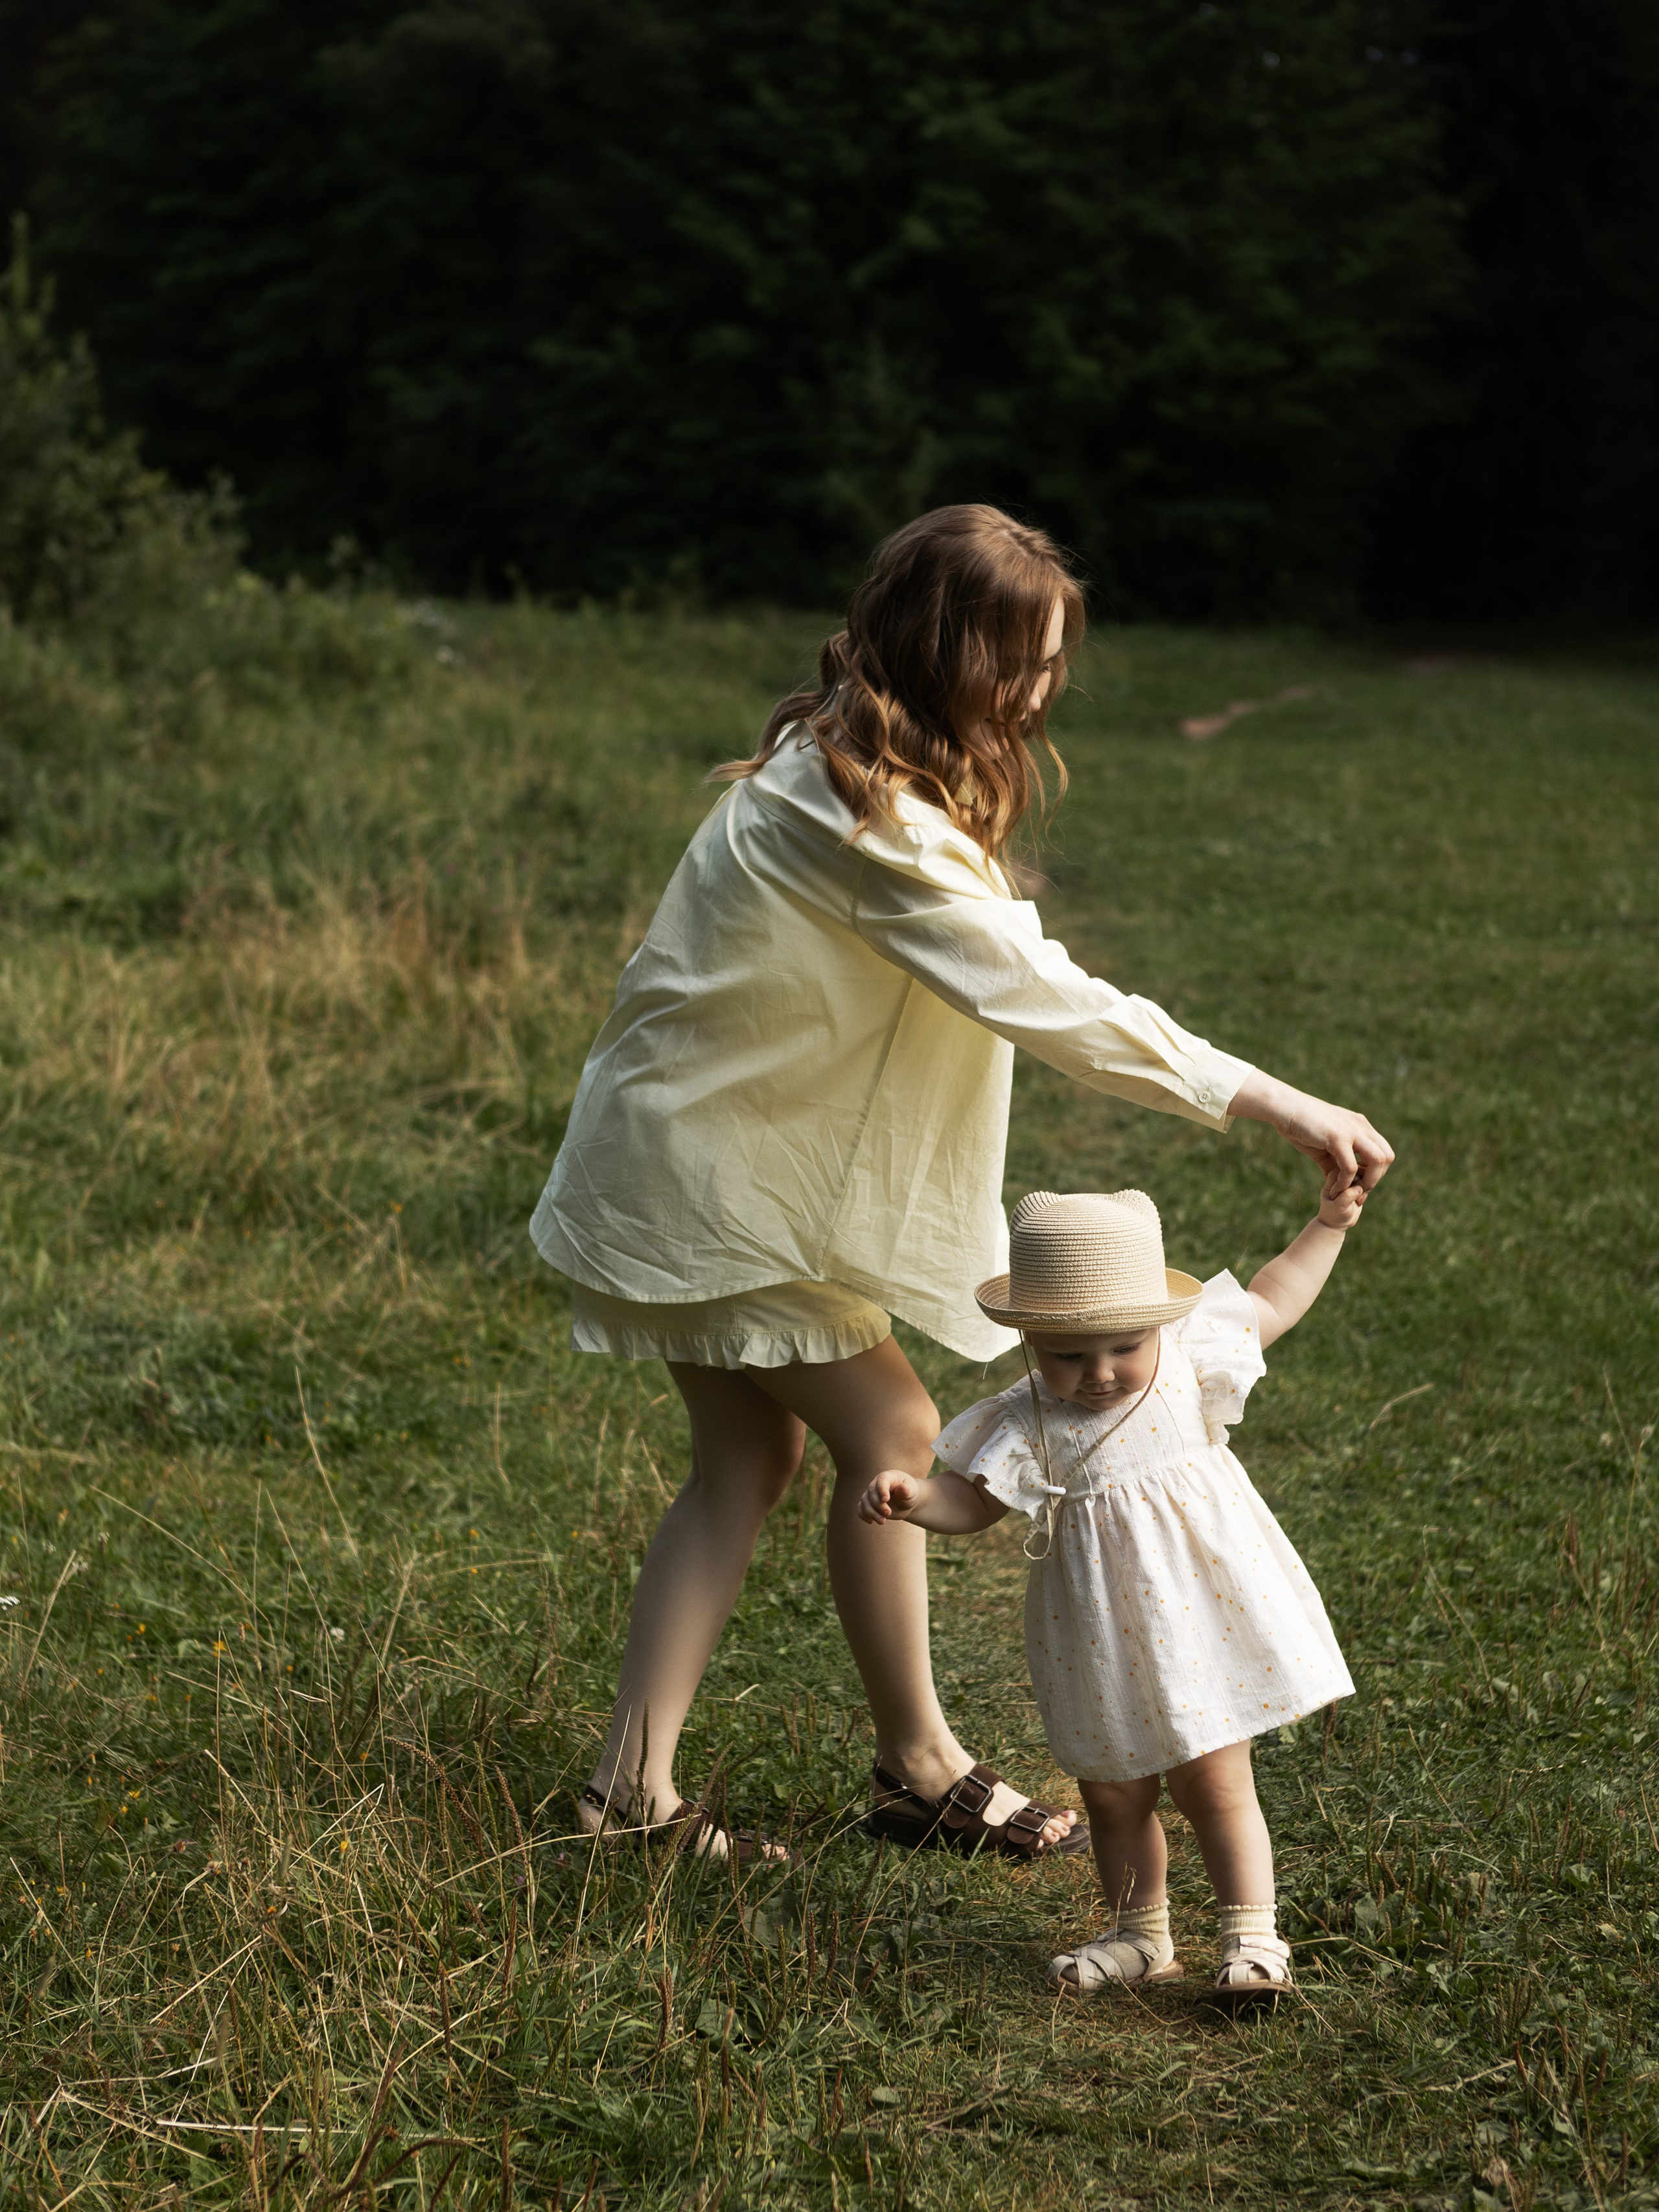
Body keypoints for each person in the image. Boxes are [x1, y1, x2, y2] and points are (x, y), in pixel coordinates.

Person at [529, 503, 1391, 1863]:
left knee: (746, 1456)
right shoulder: (858, 812)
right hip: (710, 1174)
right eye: (1018, 663)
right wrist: (1266, 1096)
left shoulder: (857, 770)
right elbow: (1043, 996)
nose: (1039, 693)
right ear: (940, 647)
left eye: (1051, 664)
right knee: (896, 1427)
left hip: (692, 1155)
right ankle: (915, 1764)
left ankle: (626, 1789)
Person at [858, 1183, 1361, 2000]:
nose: (1096, 1375)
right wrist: (915, 1498)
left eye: (1123, 1347)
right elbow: (973, 1498)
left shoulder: (1191, 1354)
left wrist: (1328, 1225)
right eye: (1066, 1356)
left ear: (1160, 1323)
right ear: (1027, 1339)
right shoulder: (1025, 1418)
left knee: (1213, 1778)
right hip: (1097, 1632)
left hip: (1198, 1620)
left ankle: (1252, 1938)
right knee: (1114, 1789)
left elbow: (1275, 1294)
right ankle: (1140, 1934)